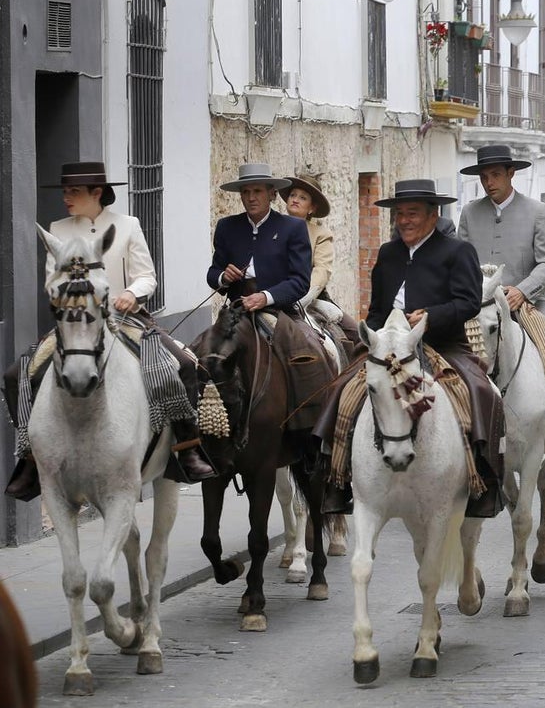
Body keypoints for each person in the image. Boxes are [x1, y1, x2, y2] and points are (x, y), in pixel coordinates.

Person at [5, 162, 215, 500]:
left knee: (182, 365)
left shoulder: (127, 226)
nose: (66, 198)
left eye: (73, 191)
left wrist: (131, 293)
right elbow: (50, 281)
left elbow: (147, 275)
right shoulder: (57, 229)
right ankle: (30, 458)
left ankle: (186, 450)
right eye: (64, 191)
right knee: (17, 374)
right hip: (75, 323)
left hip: (126, 319)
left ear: (97, 193)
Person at [365, 179, 504, 518]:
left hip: (444, 343)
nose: (405, 221)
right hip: (389, 346)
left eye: (412, 213)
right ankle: (334, 474)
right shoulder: (387, 253)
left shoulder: (457, 251)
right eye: (399, 214)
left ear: (433, 214)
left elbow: (469, 302)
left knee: (481, 390)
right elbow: (376, 309)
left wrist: (430, 315)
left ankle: (484, 475)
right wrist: (372, 336)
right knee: (344, 387)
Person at [457, 145, 545, 457]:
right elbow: (461, 262)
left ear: (511, 174)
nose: (489, 182)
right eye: (484, 176)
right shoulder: (469, 213)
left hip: (528, 302)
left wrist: (521, 291)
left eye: (495, 175)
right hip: (479, 307)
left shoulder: (538, 212)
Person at [207, 163, 332, 436]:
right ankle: (199, 433)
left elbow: (300, 281)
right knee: (201, 355)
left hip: (278, 310)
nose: (251, 197)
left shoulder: (291, 228)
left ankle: (308, 426)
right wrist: (223, 278)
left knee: (308, 354)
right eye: (246, 191)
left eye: (257, 191)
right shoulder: (227, 227)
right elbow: (213, 273)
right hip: (236, 311)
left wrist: (265, 297)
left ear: (272, 194)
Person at [278, 172, 358, 346]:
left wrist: (300, 300)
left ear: (312, 208)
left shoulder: (321, 234)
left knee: (356, 334)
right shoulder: (273, 227)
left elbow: (322, 271)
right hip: (273, 293)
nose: (295, 199)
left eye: (303, 197)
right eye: (292, 195)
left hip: (308, 297)